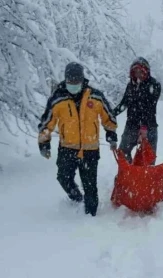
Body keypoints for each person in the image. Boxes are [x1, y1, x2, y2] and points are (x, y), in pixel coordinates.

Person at [38, 62, 119, 216]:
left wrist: (111, 133)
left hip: (90, 150)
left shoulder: (95, 96)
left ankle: (91, 217)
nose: (73, 84)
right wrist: (44, 143)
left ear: (82, 80)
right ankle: (76, 198)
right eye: (70, 81)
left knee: (90, 186)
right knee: (63, 178)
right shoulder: (58, 98)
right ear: (66, 80)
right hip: (67, 149)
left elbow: (109, 117)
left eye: (77, 81)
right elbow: (46, 123)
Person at [113, 57, 162, 163]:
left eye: (141, 71)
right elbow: (124, 103)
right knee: (122, 152)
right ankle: (129, 175)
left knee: (149, 158)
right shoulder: (130, 85)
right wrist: (111, 114)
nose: (138, 74)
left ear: (146, 71)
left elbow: (150, 107)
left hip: (149, 127)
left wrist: (144, 127)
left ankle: (145, 178)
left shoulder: (154, 85)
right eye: (135, 71)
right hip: (131, 125)